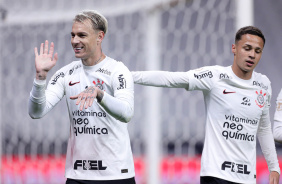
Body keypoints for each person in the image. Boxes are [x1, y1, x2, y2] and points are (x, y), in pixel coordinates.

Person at [132, 26, 280, 184]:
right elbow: (171, 78)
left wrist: (274, 167)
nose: (252, 55)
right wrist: (129, 76)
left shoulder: (263, 84)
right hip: (216, 175)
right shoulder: (215, 76)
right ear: (234, 48)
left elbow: (263, 128)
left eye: (257, 51)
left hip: (247, 178)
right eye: (247, 48)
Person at [28, 10, 136, 184]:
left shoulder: (118, 71)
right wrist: (40, 78)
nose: (74, 41)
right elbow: (36, 112)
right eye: (72, 35)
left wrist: (100, 94)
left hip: (116, 175)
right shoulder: (66, 73)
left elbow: (126, 112)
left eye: (82, 35)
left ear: (100, 37)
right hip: (78, 176)